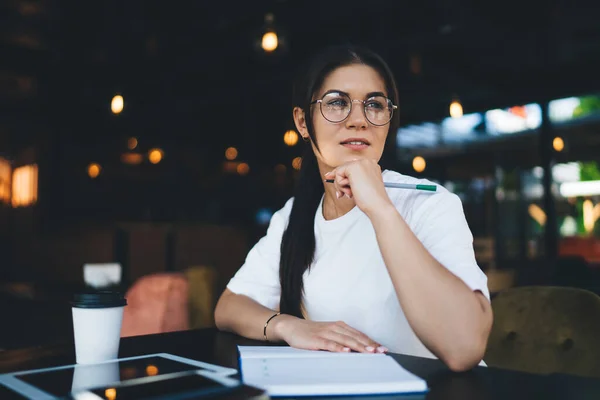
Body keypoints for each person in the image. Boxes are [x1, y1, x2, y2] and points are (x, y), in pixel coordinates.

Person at [214, 45, 493, 372]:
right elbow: (229, 306)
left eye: (374, 104)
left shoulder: (429, 203)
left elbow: (464, 347)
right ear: (303, 122)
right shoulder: (295, 215)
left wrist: (380, 209)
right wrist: (288, 326)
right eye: (336, 102)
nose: (359, 120)